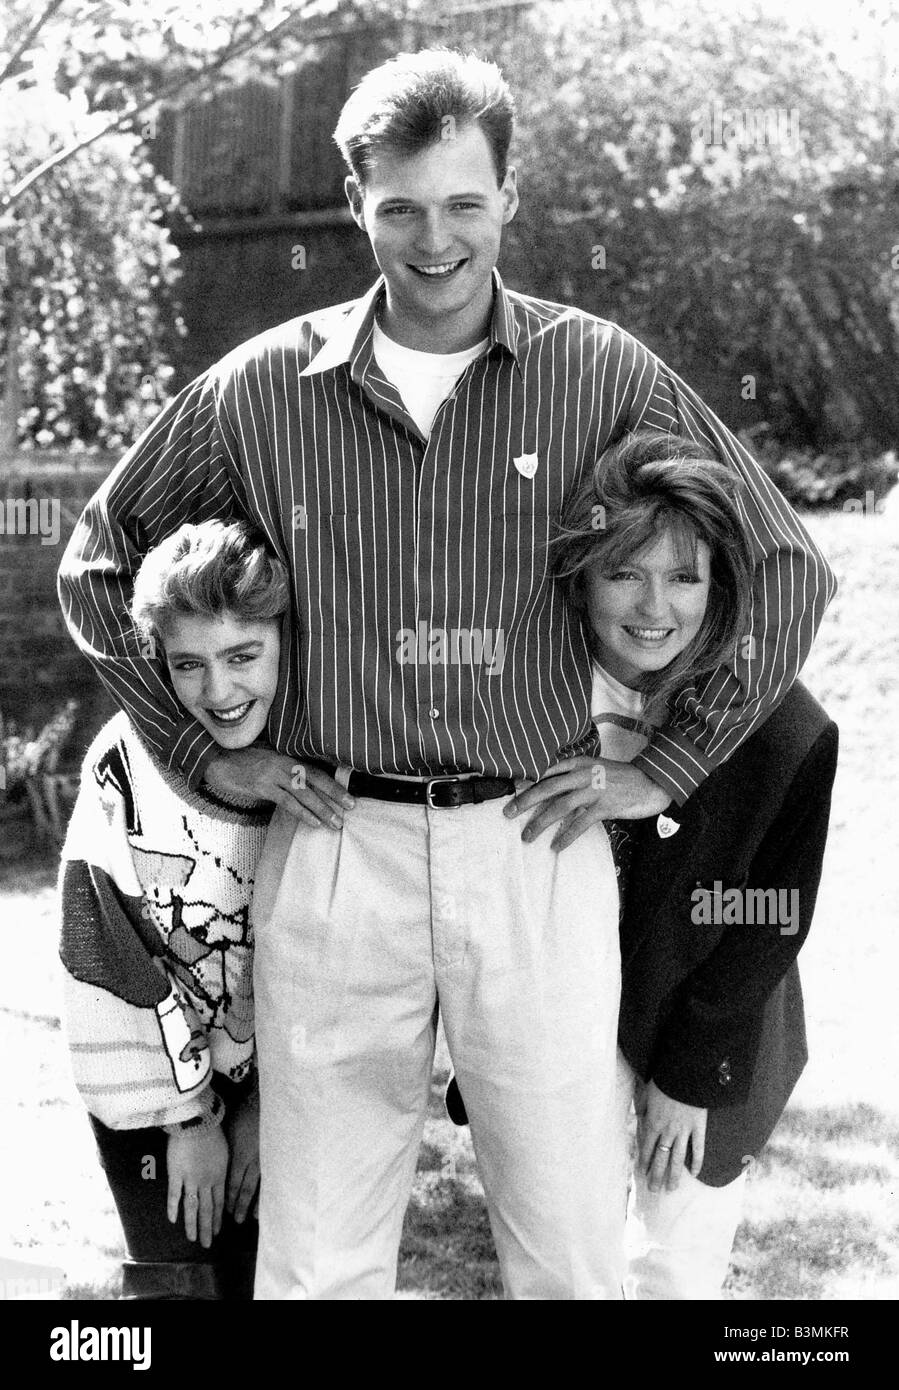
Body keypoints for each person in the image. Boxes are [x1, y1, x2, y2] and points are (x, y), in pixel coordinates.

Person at [58, 49, 835, 1300]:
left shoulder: (601, 373)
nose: (434, 239)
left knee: (569, 1249)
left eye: (463, 203)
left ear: (507, 203)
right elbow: (97, 562)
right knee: (316, 1259)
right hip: (332, 847)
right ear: (353, 201)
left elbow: (784, 567)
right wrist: (205, 753)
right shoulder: (261, 390)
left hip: (528, 846)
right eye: (402, 206)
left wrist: (669, 767)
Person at [502, 429, 838, 1297]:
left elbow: (767, 918)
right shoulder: (522, 704)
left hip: (710, 1016)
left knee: (674, 1265)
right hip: (562, 1013)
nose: (655, 607)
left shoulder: (776, 726)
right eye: (625, 571)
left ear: (717, 587)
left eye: (683, 576)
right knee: (561, 1257)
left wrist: (691, 1073)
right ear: (581, 578)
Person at [58, 520, 289, 1300]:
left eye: (243, 657)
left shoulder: (322, 757)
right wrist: (187, 1120)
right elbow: (100, 950)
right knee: (176, 1290)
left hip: (285, 1087)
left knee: (270, 1282)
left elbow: (345, 949)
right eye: (189, 664)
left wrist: (263, 1103)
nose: (219, 693)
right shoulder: (120, 767)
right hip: (155, 1094)